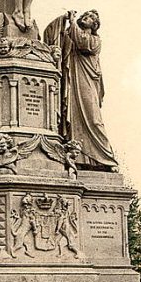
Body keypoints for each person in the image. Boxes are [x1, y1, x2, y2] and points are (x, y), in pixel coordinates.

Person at [44, 9, 118, 170]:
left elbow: (84, 43)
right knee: (74, 118)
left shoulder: (95, 40)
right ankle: (78, 158)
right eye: (84, 16)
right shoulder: (71, 35)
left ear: (95, 25)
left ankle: (106, 159)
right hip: (72, 84)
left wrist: (72, 22)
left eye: (90, 17)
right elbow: (51, 36)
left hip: (87, 82)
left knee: (93, 118)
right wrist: (61, 19)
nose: (85, 18)